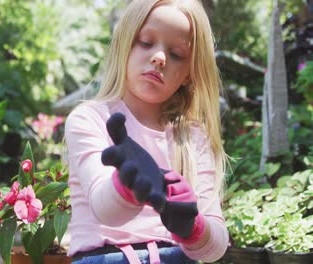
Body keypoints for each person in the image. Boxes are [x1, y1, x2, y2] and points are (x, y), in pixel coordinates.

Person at [64, 0, 229, 263]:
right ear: (124, 45)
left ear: (189, 73)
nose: (159, 58)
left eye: (176, 54)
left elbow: (217, 246)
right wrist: (126, 188)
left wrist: (193, 227)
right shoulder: (90, 119)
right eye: (146, 42)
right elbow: (105, 209)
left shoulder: (192, 138)